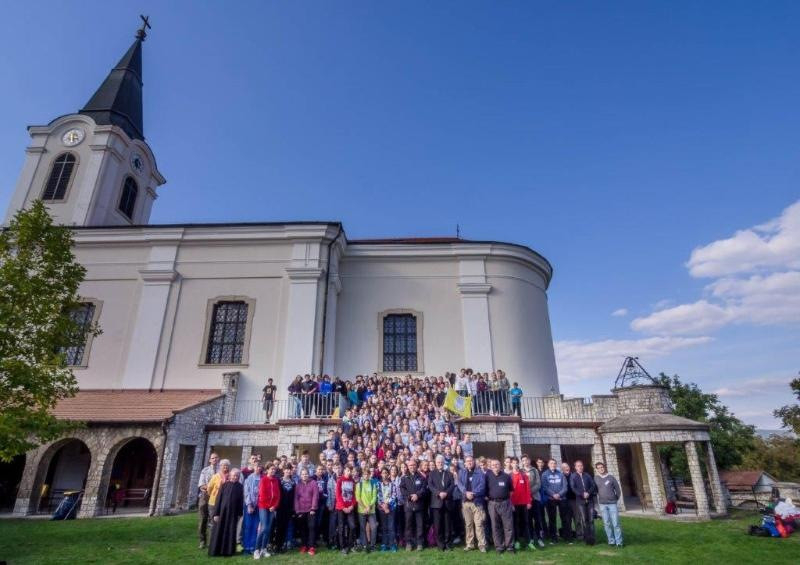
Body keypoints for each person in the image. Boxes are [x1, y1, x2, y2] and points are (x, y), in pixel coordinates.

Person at [209, 468, 244, 557]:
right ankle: (216, 550)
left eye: (237, 476)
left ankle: (228, 551)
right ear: (230, 476)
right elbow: (218, 500)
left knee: (230, 530)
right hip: (222, 512)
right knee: (219, 530)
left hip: (233, 513)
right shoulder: (224, 485)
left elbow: (240, 501)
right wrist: (216, 514)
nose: (235, 477)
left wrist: (240, 513)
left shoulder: (240, 487)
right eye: (233, 475)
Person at [456, 455, 487, 552]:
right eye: (467, 461)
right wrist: (465, 492)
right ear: (465, 463)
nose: (469, 462)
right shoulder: (461, 472)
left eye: (471, 461)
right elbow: (459, 484)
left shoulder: (480, 472)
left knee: (479, 524)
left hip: (477, 502)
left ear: (474, 462)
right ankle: (470, 544)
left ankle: (482, 545)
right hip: (466, 502)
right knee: (468, 524)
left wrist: (473, 493)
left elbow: (482, 486)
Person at [485, 459, 515, 554]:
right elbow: (485, 490)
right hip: (492, 504)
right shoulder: (487, 476)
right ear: (491, 466)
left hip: (505, 503)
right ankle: (499, 547)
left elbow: (511, 490)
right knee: (495, 526)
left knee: (508, 526)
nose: (495, 466)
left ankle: (509, 547)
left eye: (497, 464)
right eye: (493, 465)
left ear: (500, 465)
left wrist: (505, 499)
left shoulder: (506, 476)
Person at [428, 454, 455, 551]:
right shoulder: (431, 474)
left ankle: (448, 544)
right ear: (435, 463)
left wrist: (446, 493)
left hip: (447, 502)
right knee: (438, 525)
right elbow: (430, 486)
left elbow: (452, 485)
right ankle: (440, 544)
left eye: (441, 462)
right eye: (438, 462)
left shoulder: (449, 474)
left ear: (444, 463)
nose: (440, 464)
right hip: (436, 503)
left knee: (447, 525)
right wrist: (439, 493)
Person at [400, 459, 427, 551]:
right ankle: (409, 543)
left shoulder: (421, 477)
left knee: (420, 525)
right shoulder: (404, 477)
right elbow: (402, 489)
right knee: (408, 525)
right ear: (408, 467)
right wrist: (409, 496)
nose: (412, 467)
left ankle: (420, 543)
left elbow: (424, 488)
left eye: (414, 465)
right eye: (410, 465)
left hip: (419, 504)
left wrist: (417, 495)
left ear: (416, 466)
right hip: (409, 505)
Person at [594, 462, 623, 547]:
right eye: (599, 468)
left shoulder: (611, 477)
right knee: (606, 523)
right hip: (602, 504)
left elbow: (618, 490)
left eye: (602, 467)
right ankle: (611, 541)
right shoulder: (596, 478)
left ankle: (619, 542)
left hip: (612, 504)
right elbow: (594, 490)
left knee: (616, 523)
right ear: (597, 469)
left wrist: (615, 498)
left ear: (604, 467)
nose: (601, 469)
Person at [255, 463, 280, 559]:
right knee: (264, 528)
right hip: (264, 507)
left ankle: (264, 549)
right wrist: (269, 506)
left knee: (268, 529)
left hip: (272, 508)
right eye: (271, 469)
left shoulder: (276, 480)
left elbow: (278, 495)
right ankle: (257, 550)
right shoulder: (263, 480)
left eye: (274, 469)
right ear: (267, 470)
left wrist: (274, 506)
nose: (273, 470)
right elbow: (262, 494)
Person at [569, 460, 596, 546]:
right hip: (580, 501)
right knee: (584, 520)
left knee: (591, 520)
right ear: (575, 467)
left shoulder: (587, 475)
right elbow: (573, 488)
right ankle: (587, 539)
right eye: (578, 466)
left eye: (581, 465)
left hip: (590, 500)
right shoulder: (573, 476)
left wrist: (588, 493)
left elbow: (593, 485)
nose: (580, 467)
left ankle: (593, 539)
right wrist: (581, 494)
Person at [541, 459, 568, 544]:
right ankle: (553, 538)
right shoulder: (544, 474)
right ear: (548, 465)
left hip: (561, 498)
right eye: (551, 463)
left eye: (554, 463)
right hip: (551, 499)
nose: (553, 465)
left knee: (564, 518)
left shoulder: (561, 474)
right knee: (552, 519)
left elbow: (565, 487)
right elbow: (545, 487)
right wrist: (553, 495)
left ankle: (567, 537)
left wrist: (559, 495)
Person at [522, 455, 546, 548]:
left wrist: (529, 492)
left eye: (526, 460)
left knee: (537, 519)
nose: (525, 462)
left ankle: (539, 538)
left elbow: (538, 484)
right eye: (523, 460)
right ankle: (531, 538)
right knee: (528, 520)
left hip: (535, 498)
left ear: (529, 460)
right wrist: (526, 493)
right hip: (525, 500)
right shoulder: (521, 471)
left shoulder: (534, 470)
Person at [294, 467, 320, 555]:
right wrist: (297, 511)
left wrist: (313, 508)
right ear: (300, 475)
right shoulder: (298, 485)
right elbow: (296, 498)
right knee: (303, 528)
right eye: (303, 474)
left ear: (309, 475)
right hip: (301, 510)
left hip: (311, 510)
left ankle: (311, 547)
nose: (304, 475)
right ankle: (304, 545)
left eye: (306, 474)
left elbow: (315, 496)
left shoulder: (313, 483)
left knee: (312, 527)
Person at [510, 457, 534, 550]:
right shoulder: (509, 476)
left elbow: (528, 489)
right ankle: (517, 541)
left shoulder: (523, 475)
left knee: (526, 522)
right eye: (513, 463)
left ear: (518, 464)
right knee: (515, 522)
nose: (515, 464)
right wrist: (511, 504)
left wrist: (529, 502)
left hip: (524, 503)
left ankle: (528, 541)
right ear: (511, 464)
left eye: (516, 463)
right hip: (514, 504)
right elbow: (508, 491)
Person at [197, 452, 219, 549]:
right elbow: (202, 485)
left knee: (213, 519)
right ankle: (202, 541)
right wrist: (210, 488)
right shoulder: (205, 470)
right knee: (203, 519)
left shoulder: (220, 471)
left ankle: (212, 542)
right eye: (212, 458)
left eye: (216, 458)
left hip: (215, 497)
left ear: (218, 459)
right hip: (205, 497)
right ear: (210, 460)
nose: (214, 459)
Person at [242, 461, 263, 555]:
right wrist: (249, 505)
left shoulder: (263, 478)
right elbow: (247, 492)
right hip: (250, 506)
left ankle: (254, 546)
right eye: (257, 466)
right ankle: (247, 547)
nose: (258, 468)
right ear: (254, 467)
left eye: (260, 466)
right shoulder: (249, 478)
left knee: (256, 527)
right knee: (248, 526)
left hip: (260, 506)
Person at [356, 467, 379, 551]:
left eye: (367, 474)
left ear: (369, 475)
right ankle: (365, 545)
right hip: (362, 510)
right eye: (364, 474)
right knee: (362, 528)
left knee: (374, 527)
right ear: (362, 475)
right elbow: (358, 498)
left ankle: (372, 545)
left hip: (371, 510)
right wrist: (365, 507)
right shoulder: (359, 485)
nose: (366, 476)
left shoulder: (372, 484)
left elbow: (374, 497)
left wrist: (369, 506)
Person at [336, 466, 357, 554]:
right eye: (348, 470)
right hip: (341, 508)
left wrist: (352, 506)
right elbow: (338, 495)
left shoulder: (352, 481)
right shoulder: (340, 480)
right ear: (344, 471)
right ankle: (342, 547)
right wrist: (343, 507)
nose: (349, 472)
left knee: (352, 526)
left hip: (350, 508)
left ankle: (350, 545)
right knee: (341, 528)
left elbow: (354, 495)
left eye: (350, 471)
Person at [377, 467, 398, 551]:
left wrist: (387, 505)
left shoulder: (392, 484)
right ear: (381, 474)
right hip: (382, 509)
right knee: (384, 527)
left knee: (391, 527)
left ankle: (392, 544)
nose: (384, 474)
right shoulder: (378, 484)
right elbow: (378, 496)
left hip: (391, 509)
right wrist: (383, 506)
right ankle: (384, 544)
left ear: (388, 474)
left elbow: (394, 496)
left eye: (386, 473)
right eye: (383, 473)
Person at [560, 462, 576, 542]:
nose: (566, 468)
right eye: (564, 467)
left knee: (576, 518)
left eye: (567, 466)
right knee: (566, 519)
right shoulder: (560, 476)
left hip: (574, 500)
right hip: (564, 500)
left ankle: (579, 534)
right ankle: (567, 536)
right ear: (562, 469)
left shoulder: (574, 475)